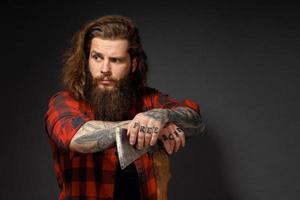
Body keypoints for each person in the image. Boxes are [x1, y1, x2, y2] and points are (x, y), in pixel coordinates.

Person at [44, 15, 206, 200]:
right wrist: (142, 126)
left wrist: (161, 116)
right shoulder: (64, 101)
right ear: (86, 60)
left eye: (116, 60)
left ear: (133, 64)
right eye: (97, 57)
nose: (104, 69)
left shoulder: (148, 101)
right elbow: (75, 137)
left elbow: (195, 120)